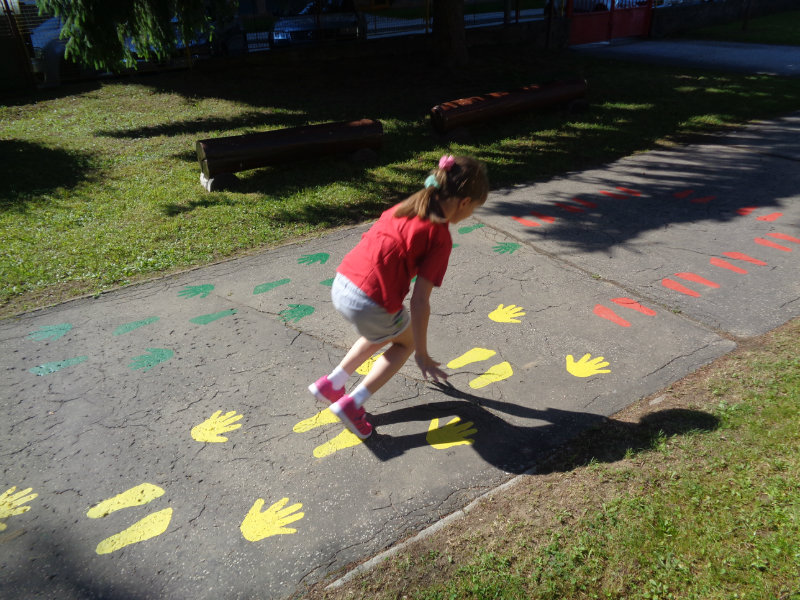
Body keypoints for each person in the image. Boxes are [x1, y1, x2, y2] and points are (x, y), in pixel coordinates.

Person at [308, 155, 489, 439]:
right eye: (474, 209)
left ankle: (332, 384)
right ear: (464, 202)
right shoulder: (439, 236)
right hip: (370, 301)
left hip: (343, 283)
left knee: (387, 327)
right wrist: (423, 354)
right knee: (405, 342)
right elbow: (420, 301)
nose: (470, 214)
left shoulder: (404, 208)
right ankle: (352, 404)